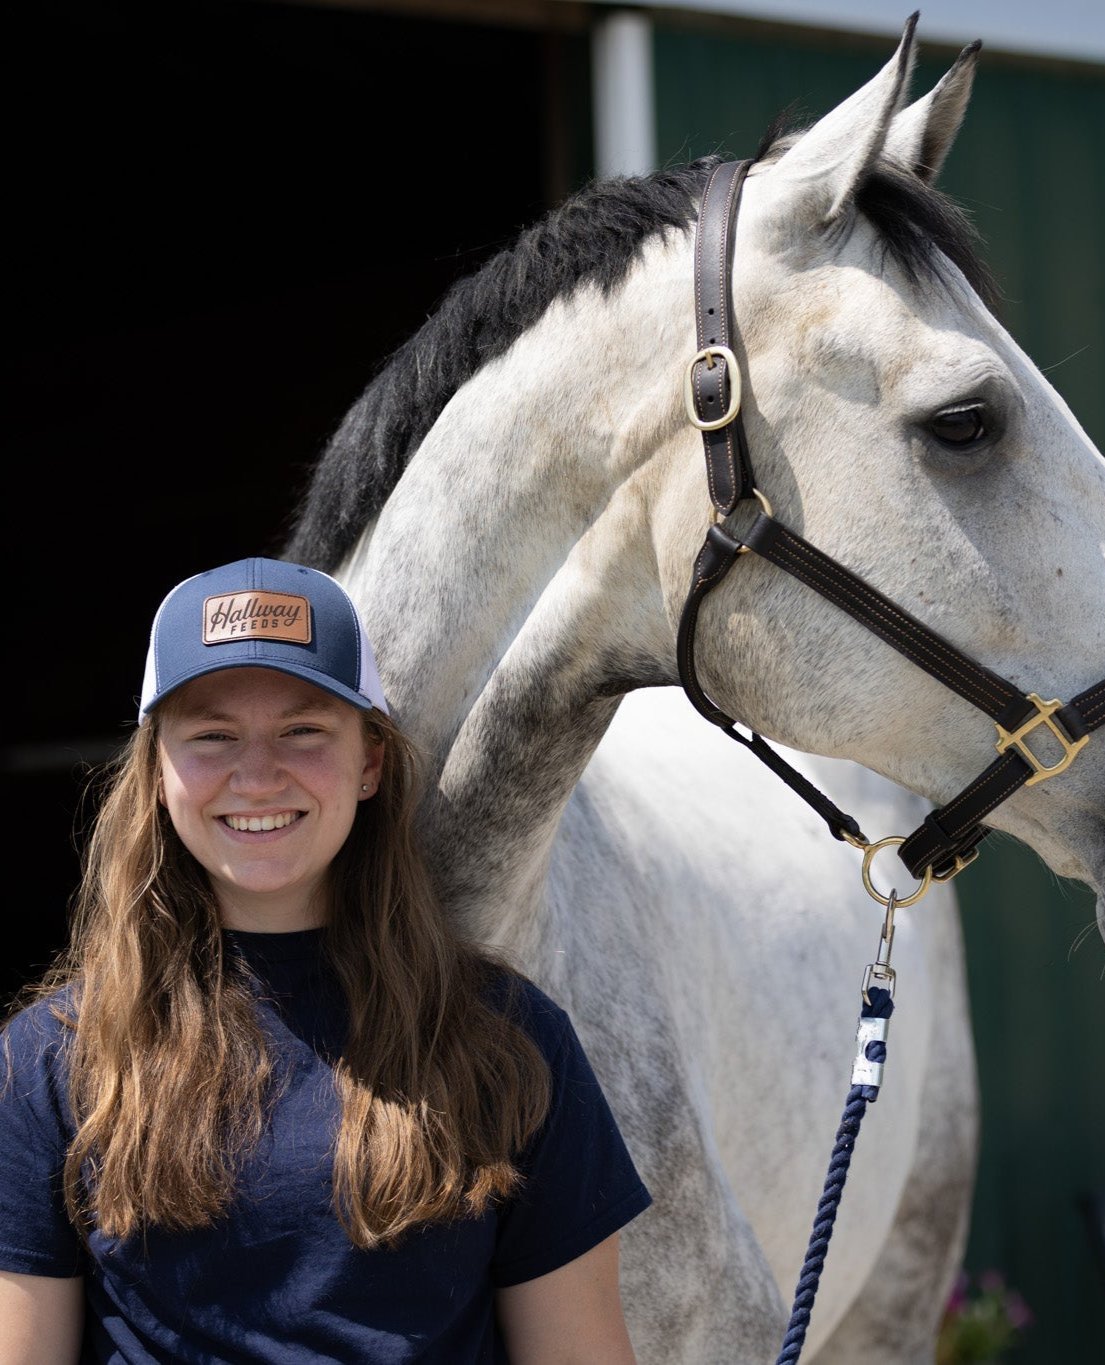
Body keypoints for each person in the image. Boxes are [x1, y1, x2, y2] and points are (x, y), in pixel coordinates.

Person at [0, 557, 650, 1364]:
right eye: (211, 735)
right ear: (158, 772)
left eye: (303, 730)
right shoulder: (48, 1060)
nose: (258, 773)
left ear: (370, 759)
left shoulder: (511, 1040)